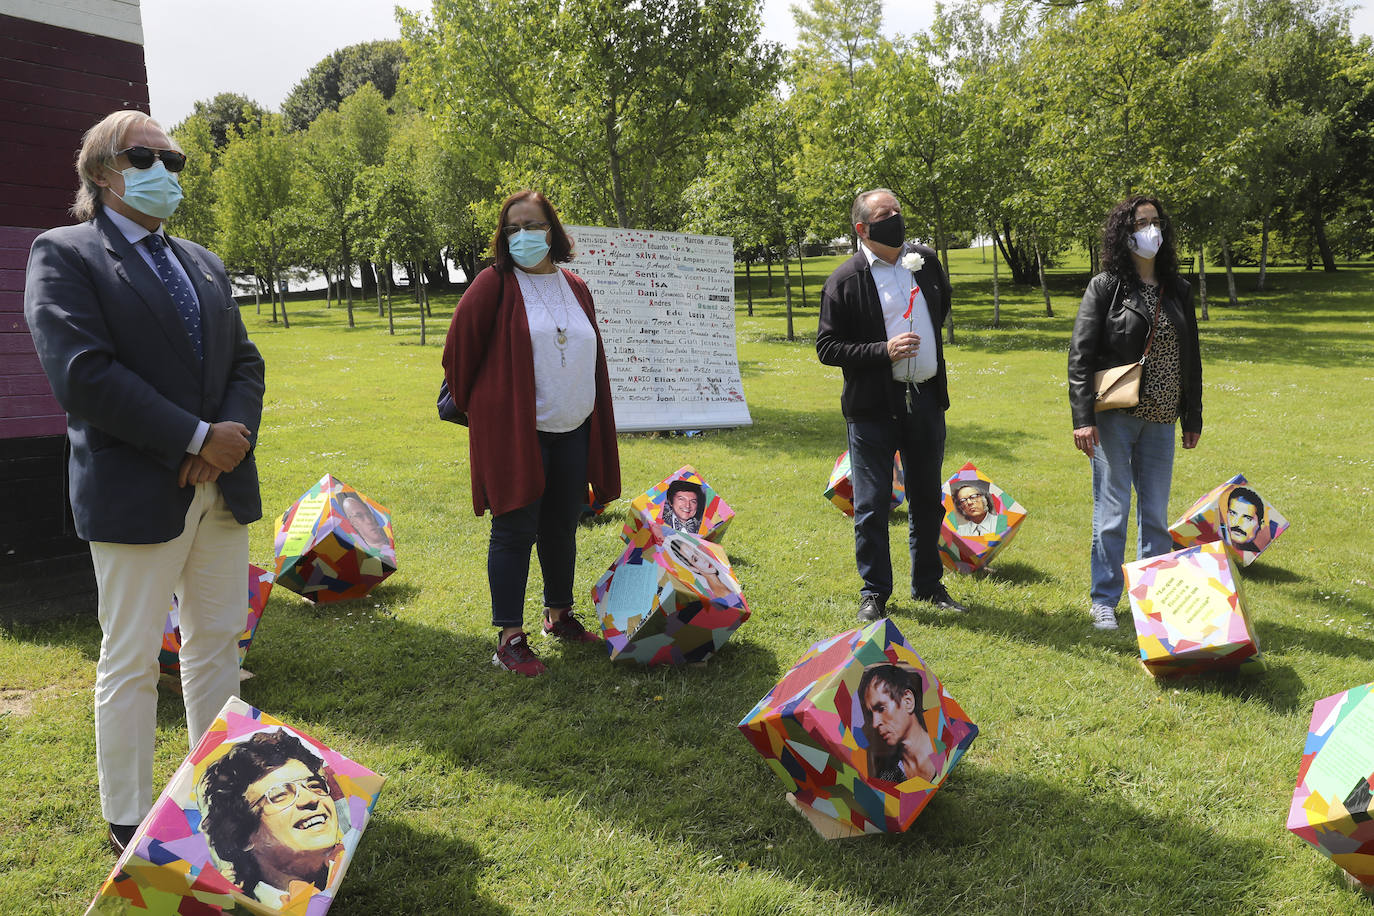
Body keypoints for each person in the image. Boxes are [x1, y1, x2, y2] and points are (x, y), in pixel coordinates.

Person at [23, 110, 264, 852]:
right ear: (102, 173)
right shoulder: (64, 254)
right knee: (129, 657)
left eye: (174, 158)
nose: (166, 170)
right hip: (135, 491)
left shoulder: (203, 260)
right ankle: (127, 818)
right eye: (146, 156)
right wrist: (194, 438)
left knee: (216, 643)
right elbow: (84, 375)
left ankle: (222, 791)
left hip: (221, 487)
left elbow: (244, 362)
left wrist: (224, 442)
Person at [442, 190, 620, 677]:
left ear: (552, 230)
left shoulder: (575, 286)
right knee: (515, 528)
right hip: (519, 434)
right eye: (513, 228)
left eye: (533, 225)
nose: (523, 235)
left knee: (562, 525)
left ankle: (558, 615)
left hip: (573, 427)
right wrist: (491, 411)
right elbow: (458, 355)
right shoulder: (493, 284)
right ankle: (509, 637)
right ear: (504, 237)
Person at [816, 188, 965, 623]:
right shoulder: (845, 280)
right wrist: (883, 351)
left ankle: (929, 585)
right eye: (885, 214)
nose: (896, 218)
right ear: (862, 228)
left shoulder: (925, 261)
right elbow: (827, 347)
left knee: (927, 499)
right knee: (871, 505)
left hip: (926, 400)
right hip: (872, 408)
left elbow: (940, 306)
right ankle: (875, 592)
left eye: (898, 210)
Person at [1068, 195, 1202, 630]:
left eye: (1155, 221)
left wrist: (1192, 416)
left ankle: (1154, 601)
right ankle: (1104, 600)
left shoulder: (1178, 288)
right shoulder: (1106, 286)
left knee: (1156, 516)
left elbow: (1192, 357)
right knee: (1112, 513)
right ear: (1124, 234)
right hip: (1115, 416)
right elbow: (1080, 356)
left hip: (1163, 418)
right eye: (1142, 223)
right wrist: (1083, 418)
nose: (1151, 230)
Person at [199, 730, 344, 905]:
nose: (311, 798)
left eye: (314, 785)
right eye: (279, 795)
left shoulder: (347, 858)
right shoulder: (233, 906)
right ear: (243, 836)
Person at [857, 663, 939, 783]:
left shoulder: (944, 746)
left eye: (881, 708)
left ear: (907, 701)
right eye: (870, 714)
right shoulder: (887, 775)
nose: (875, 723)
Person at [664, 533, 736, 600]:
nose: (703, 559)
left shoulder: (724, 584)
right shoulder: (721, 594)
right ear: (693, 568)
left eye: (697, 552)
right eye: (695, 559)